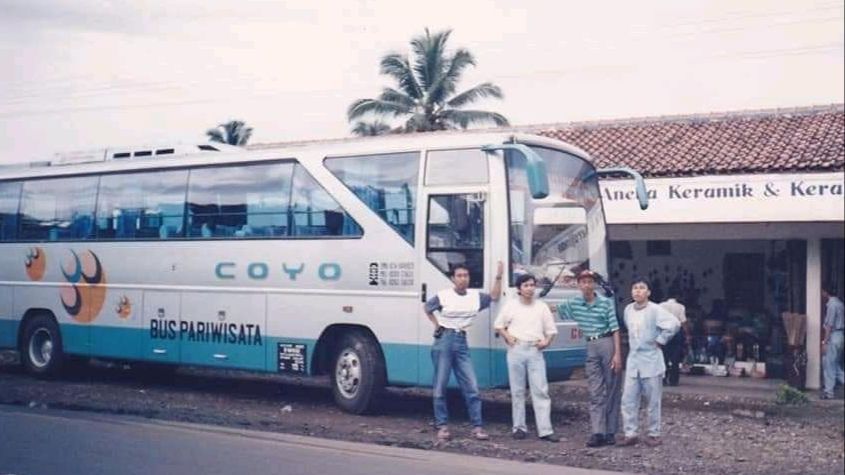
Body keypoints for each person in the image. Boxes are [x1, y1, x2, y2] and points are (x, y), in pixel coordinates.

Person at [424, 262, 503, 441]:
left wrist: (499, 276)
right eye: (459, 276)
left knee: (472, 386)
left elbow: (494, 296)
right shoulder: (443, 296)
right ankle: (442, 426)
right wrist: (437, 324)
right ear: (453, 279)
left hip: (462, 341)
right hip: (444, 340)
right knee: (440, 386)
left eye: (466, 275)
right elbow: (428, 308)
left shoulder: (475, 297)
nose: (463, 279)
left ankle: (477, 427)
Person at [554, 269, 623, 448]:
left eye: (590, 281)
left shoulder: (605, 303)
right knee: (594, 390)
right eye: (583, 282)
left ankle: (611, 431)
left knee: (612, 388)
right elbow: (555, 308)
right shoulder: (574, 303)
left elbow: (615, 329)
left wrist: (617, 354)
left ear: (594, 284)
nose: (586, 285)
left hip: (607, 342)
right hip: (590, 345)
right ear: (578, 285)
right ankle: (597, 431)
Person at [494, 273, 560, 443]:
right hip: (516, 349)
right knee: (517, 391)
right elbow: (499, 325)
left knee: (540, 390)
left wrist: (546, 342)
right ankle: (519, 427)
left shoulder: (541, 307)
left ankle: (545, 430)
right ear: (519, 289)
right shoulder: (511, 306)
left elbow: (551, 330)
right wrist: (508, 337)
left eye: (532, 285)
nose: (530, 289)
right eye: (526, 285)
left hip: (535, 351)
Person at [619, 279, 680, 447]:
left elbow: (674, 324)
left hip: (651, 360)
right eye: (635, 288)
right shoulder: (628, 310)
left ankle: (654, 433)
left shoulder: (655, 309)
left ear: (648, 292)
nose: (638, 291)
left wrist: (661, 340)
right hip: (633, 360)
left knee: (653, 400)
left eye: (641, 288)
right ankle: (630, 433)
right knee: (628, 399)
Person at [821, 284, 844, 400]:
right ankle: (829, 391)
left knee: (829, 365)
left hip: (834, 336)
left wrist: (824, 342)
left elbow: (829, 325)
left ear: (826, 292)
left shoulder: (831, 305)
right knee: (835, 365)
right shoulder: (840, 304)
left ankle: (828, 392)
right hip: (840, 336)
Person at [659, 297, 687, 386]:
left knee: (664, 357)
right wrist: (687, 334)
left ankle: (663, 379)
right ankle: (673, 381)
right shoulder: (680, 307)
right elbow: (683, 321)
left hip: (664, 332)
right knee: (675, 359)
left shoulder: (660, 306)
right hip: (676, 333)